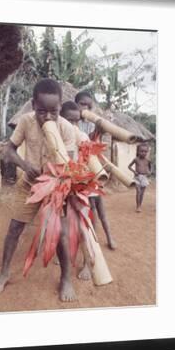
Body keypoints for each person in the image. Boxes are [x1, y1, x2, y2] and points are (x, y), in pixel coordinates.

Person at [0, 78, 78, 301]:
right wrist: (24, 165)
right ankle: (4, 273)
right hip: (29, 185)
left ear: (60, 108)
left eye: (54, 112)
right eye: (42, 112)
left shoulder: (67, 129)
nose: (47, 117)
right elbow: (8, 151)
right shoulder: (25, 121)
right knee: (14, 229)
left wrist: (56, 177)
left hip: (55, 188)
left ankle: (66, 278)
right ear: (33, 105)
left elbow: (70, 164)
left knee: (60, 234)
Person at [61, 100, 117, 253]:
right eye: (68, 120)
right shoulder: (58, 136)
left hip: (88, 181)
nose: (72, 124)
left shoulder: (83, 135)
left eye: (75, 120)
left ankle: (99, 244)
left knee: (95, 213)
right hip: (69, 183)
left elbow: (92, 150)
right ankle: (65, 250)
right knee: (67, 218)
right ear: (60, 118)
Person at [128, 143, 153, 212]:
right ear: (138, 151)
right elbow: (129, 166)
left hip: (144, 177)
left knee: (142, 193)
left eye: (145, 151)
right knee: (138, 192)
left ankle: (140, 205)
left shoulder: (148, 160)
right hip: (137, 177)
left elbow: (151, 167)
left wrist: (150, 172)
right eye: (141, 151)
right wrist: (134, 171)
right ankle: (138, 207)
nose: (143, 153)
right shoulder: (136, 159)